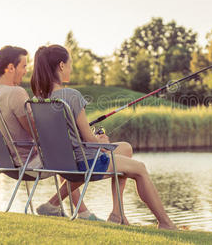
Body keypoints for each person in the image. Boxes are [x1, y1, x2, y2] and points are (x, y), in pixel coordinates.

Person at [31, 44, 176, 230]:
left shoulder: (40, 100)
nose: (71, 68)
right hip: (85, 162)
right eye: (70, 64)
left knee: (125, 149)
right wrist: (100, 141)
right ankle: (165, 223)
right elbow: (89, 140)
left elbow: (66, 136)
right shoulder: (72, 96)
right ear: (61, 65)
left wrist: (93, 141)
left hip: (63, 162)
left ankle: (118, 214)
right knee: (140, 169)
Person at [0, 45, 99, 220]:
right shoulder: (16, 93)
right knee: (74, 153)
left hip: (6, 163)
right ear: (10, 68)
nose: (26, 71)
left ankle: (80, 211)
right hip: (29, 163)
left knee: (60, 153)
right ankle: (70, 209)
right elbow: (38, 133)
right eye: (24, 66)